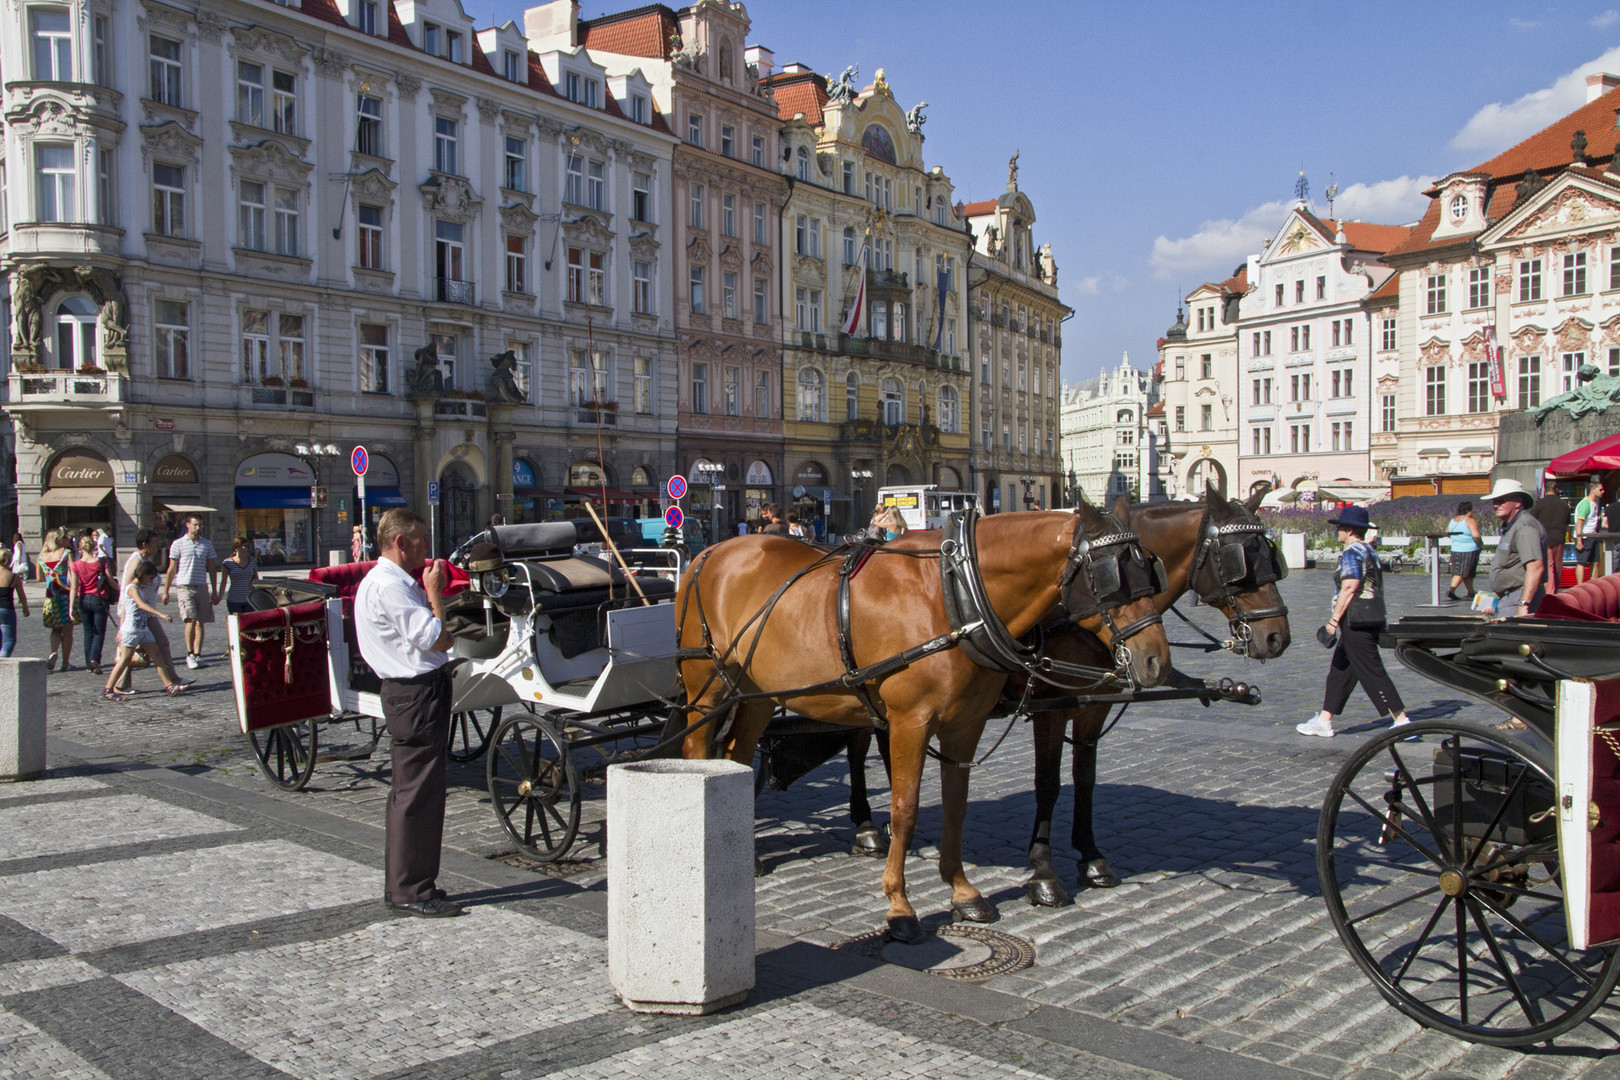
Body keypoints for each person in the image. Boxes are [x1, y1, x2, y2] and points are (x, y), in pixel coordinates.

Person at [354, 507, 463, 918]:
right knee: (417, 792)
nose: (427, 551)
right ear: (400, 542)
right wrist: (434, 593)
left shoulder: (388, 582)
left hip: (414, 691)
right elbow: (435, 638)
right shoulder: (390, 586)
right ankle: (410, 889)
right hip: (415, 693)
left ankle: (412, 881)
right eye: (420, 541)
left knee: (417, 789)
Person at [1296, 506, 1411, 738]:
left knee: (1372, 670)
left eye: (1339, 527)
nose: (1337, 530)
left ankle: (1402, 721)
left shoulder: (1351, 553)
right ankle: (1324, 720)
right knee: (1340, 669)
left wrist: (1333, 621)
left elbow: (1349, 586)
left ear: (1348, 530)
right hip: (1371, 616)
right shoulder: (1368, 550)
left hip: (1355, 620)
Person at [101, 561, 187, 701]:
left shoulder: (139, 588)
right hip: (132, 630)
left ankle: (169, 685)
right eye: (150, 578)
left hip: (142, 629)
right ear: (143, 575)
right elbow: (140, 604)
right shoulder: (132, 588)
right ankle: (108, 689)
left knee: (157, 655)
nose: (151, 581)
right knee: (125, 660)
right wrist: (161, 614)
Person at [117, 530, 187, 694]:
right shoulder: (136, 562)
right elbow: (128, 590)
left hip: (147, 612)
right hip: (137, 613)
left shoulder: (145, 560)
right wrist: (123, 620)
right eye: (154, 542)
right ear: (144, 544)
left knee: (160, 645)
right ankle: (119, 685)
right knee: (131, 649)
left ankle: (172, 680)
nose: (157, 545)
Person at [162, 514, 220, 670]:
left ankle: (198, 654)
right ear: (187, 525)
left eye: (200, 525)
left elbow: (212, 568)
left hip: (201, 586)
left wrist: (215, 591)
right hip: (184, 586)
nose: (198, 528)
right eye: (195, 524)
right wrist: (166, 590)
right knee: (190, 619)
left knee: (201, 622)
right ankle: (190, 654)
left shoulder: (207, 544)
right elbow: (171, 568)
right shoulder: (178, 544)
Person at [1486, 478, 1547, 618]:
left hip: (1518, 597)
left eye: (1502, 500)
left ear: (1518, 502)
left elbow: (1536, 567)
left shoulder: (1524, 527)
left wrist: (1523, 605)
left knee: (1507, 637)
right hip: (1509, 596)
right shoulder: (1513, 525)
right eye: (1494, 501)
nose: (1496, 505)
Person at [69, 533, 113, 675]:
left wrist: (71, 607)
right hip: (99, 599)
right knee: (99, 632)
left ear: (80, 548)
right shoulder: (101, 562)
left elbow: (74, 587)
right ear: (94, 546)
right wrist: (122, 590)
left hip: (83, 599)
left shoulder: (76, 565)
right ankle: (95, 659)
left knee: (87, 632)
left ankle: (88, 664)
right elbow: (110, 579)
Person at [37, 527, 75, 672]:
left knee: (55, 629)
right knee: (68, 630)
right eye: (65, 537)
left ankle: (53, 651)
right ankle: (65, 663)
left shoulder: (41, 556)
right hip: (64, 594)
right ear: (57, 539)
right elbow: (73, 571)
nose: (67, 540)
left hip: (50, 595)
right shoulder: (66, 553)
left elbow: (39, 577)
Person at [1529, 485, 1571, 595]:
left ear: (1545, 490)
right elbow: (1567, 521)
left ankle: (1549, 592)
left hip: (1545, 539)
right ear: (1556, 490)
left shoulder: (1539, 504)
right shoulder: (1564, 504)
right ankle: (1555, 590)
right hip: (1559, 537)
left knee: (1549, 565)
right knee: (1558, 566)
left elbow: (1531, 520)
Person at [1445, 501, 1482, 601]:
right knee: (1462, 572)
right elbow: (1476, 535)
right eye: (1471, 510)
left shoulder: (1453, 521)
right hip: (1469, 550)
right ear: (1467, 510)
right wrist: (1480, 543)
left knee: (1467, 572)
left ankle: (1471, 592)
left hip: (1456, 549)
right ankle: (1451, 591)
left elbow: (1447, 532)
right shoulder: (1469, 521)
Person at [1574, 479, 1607, 586]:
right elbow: (1579, 522)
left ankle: (1593, 584)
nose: (1603, 492)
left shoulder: (1595, 503)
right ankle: (1580, 585)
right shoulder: (1585, 504)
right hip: (1584, 535)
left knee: (1596, 561)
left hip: (1593, 534)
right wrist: (1579, 540)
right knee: (1582, 562)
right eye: (1601, 489)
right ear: (1593, 490)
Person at [0, 549, 31, 657]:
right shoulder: (14, 576)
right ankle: (2, 662)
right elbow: (21, 595)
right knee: (8, 640)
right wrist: (25, 608)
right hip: (6, 609)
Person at [217, 536, 259, 615]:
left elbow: (256, 579)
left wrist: (258, 595)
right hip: (234, 599)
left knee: (249, 624)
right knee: (237, 624)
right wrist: (220, 596)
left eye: (246, 546)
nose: (244, 548)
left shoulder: (252, 561)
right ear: (235, 548)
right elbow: (223, 581)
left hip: (249, 599)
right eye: (241, 546)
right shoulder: (228, 563)